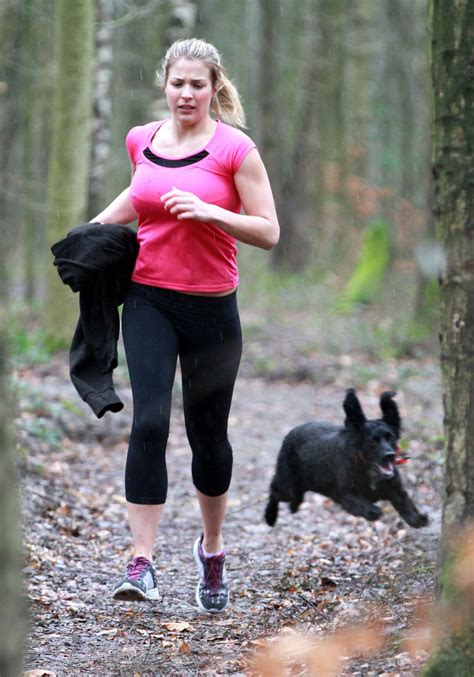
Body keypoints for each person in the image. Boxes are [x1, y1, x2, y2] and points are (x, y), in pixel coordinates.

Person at [92, 38, 279, 614]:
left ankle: (213, 551)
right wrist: (92, 231)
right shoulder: (140, 140)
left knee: (209, 437)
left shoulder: (235, 149)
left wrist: (212, 212)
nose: (187, 93)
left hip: (212, 309)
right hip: (148, 300)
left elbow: (268, 230)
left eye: (198, 84)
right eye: (178, 83)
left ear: (215, 87)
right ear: (165, 84)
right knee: (148, 423)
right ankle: (142, 563)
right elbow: (138, 193)